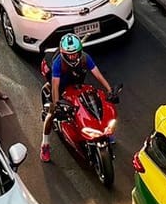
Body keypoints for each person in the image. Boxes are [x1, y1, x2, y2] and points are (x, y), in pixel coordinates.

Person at [40, 34, 113, 164]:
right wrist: (56, 104)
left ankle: (101, 131)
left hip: (77, 84)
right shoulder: (58, 64)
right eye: (69, 54)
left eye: (75, 53)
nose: (73, 56)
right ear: (63, 54)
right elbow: (55, 85)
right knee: (50, 115)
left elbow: (97, 74)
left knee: (91, 102)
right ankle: (45, 145)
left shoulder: (85, 58)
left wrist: (109, 89)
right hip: (62, 87)